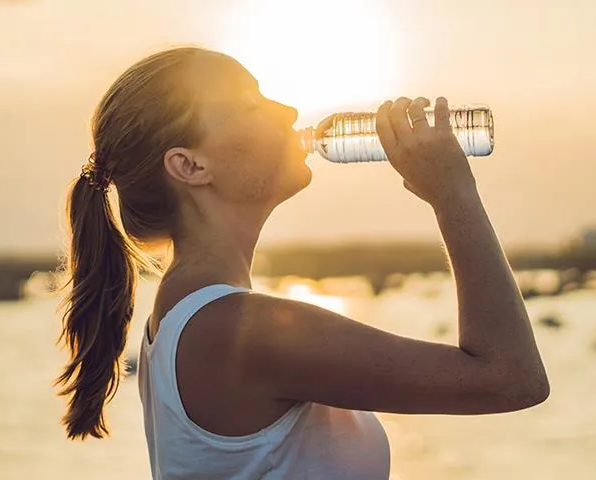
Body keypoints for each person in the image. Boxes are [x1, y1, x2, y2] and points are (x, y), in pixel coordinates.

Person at [55, 47, 549, 479]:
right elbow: (509, 377)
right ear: (190, 166)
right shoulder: (234, 330)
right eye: (251, 104)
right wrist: (452, 194)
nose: (288, 110)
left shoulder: (184, 319)